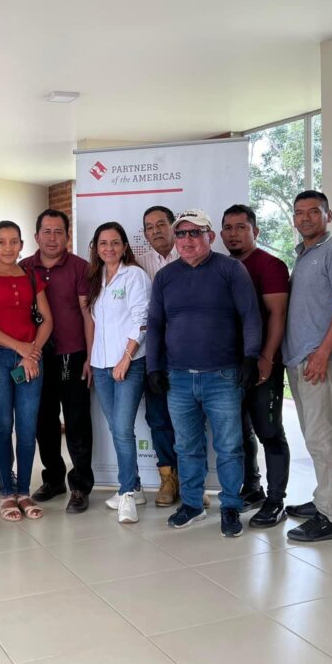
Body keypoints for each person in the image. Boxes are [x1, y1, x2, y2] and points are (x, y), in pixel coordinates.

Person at [147, 210, 261, 537]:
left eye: (194, 233)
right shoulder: (166, 277)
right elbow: (155, 325)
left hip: (222, 377)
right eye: (180, 234)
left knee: (229, 446)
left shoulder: (231, 270)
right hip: (178, 378)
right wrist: (154, 367)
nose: (186, 240)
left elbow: (251, 317)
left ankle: (229, 507)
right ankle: (194, 505)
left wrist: (251, 357)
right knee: (186, 447)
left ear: (210, 237)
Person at [282, 190, 332, 543]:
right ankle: (321, 500)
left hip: (319, 358)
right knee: (315, 437)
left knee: (323, 437)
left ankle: (330, 518)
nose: (306, 218)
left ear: (328, 215)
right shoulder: (304, 256)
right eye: (300, 213)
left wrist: (323, 353)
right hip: (300, 358)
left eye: (314, 212)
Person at [0, 221, 53, 520]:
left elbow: (46, 320)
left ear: (21, 245)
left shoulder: (31, 276)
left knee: (28, 428)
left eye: (13, 241)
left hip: (30, 357)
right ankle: (7, 493)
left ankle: (24, 492)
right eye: (1, 242)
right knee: (3, 425)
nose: (8, 247)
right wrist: (20, 347)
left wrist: (32, 352)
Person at [221, 204, 291, 528]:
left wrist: (266, 359)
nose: (234, 234)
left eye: (240, 227)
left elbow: (278, 315)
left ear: (255, 231)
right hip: (228, 367)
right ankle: (253, 487)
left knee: (269, 431)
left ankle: (276, 500)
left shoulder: (270, 265)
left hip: (264, 364)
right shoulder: (221, 266)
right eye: (228, 228)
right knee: (240, 431)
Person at [22, 209, 95, 513]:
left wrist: (91, 357)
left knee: (77, 421)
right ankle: (53, 479)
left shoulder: (81, 268)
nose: (53, 238)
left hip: (72, 354)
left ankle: (80, 486)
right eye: (47, 232)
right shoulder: (23, 268)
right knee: (43, 421)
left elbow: (89, 316)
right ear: (37, 236)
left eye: (59, 232)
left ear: (67, 236)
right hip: (37, 356)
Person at [87, 222, 151, 524]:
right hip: (101, 364)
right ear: (96, 248)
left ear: (125, 246)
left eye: (115, 242)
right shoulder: (95, 278)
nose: (109, 248)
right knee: (116, 428)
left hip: (129, 362)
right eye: (103, 243)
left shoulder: (135, 275)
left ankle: (126, 493)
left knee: (124, 430)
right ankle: (135, 485)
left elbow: (142, 319)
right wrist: (91, 360)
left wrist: (126, 358)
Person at [137, 205, 181, 507]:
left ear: (174, 226)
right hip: (152, 354)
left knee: (189, 420)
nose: (156, 231)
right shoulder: (138, 265)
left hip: (189, 352)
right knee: (158, 418)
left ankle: (191, 481)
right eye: (149, 226)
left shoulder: (192, 254)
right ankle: (168, 478)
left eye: (161, 224)